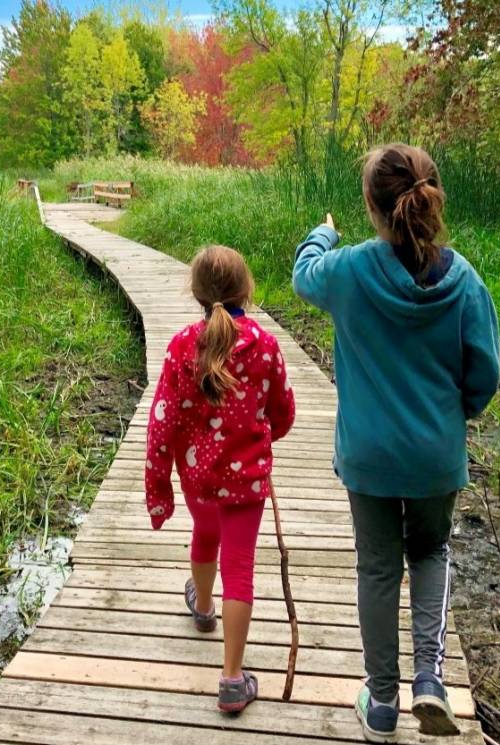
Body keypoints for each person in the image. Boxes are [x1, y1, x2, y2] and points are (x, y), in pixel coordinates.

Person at [292, 143, 500, 741]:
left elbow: (304, 275)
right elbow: (484, 372)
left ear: (371, 206)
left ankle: (381, 702)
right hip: (436, 454)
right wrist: (454, 414)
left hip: (370, 457)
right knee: (431, 553)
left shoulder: (350, 269)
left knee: (378, 569)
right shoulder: (463, 281)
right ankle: (430, 681)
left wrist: (320, 235)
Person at [145, 244, 296, 713]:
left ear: (195, 292)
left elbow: (161, 422)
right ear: (246, 290)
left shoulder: (179, 347)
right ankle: (232, 678)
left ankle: (204, 608)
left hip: (198, 475)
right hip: (246, 481)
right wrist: (266, 432)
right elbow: (283, 412)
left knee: (204, 535)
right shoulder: (265, 345)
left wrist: (159, 483)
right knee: (240, 568)